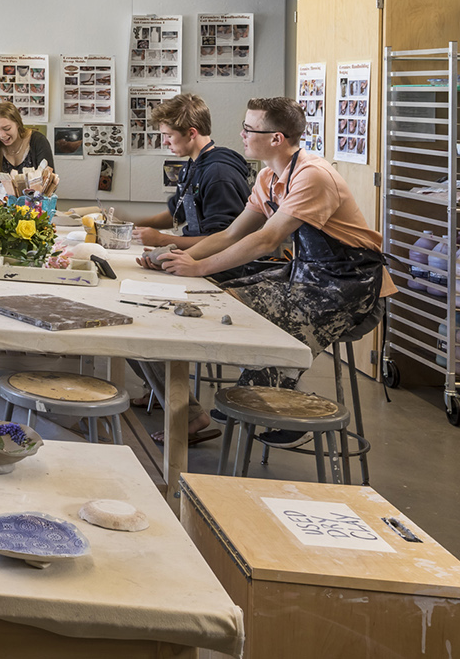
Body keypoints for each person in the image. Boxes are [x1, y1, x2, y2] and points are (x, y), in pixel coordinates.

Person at [154, 97, 394, 444]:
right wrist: (173, 256)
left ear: (276, 138)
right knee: (222, 298)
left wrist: (199, 267)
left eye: (249, 129)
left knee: (232, 306)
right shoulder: (268, 176)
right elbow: (231, 233)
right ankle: (259, 388)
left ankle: (292, 411)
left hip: (349, 287)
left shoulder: (312, 175)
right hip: (309, 274)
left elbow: (267, 239)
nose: (242, 134)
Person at [132, 94, 251, 250]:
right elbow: (176, 214)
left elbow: (221, 241)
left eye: (169, 135)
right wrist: (131, 225)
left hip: (220, 268)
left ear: (191, 133)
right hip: (196, 255)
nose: (164, 142)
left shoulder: (218, 174)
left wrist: (161, 240)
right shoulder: (191, 167)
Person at [0, 101, 57, 197]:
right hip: (8, 210)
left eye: (7, 128)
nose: (2, 135)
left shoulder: (37, 141)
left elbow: (49, 183)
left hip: (39, 208)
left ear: (18, 123)